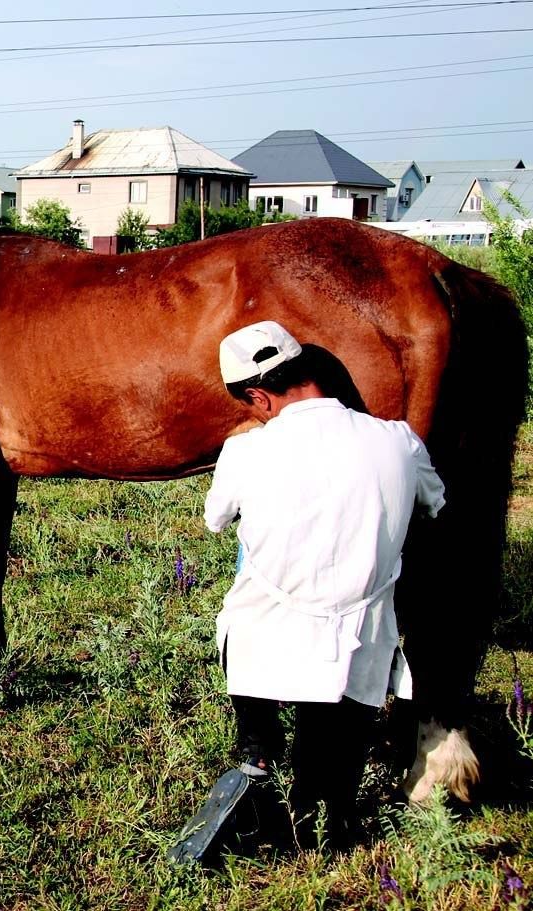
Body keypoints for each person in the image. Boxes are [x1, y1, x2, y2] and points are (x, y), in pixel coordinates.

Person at [168, 320, 445, 863]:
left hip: (267, 640)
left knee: (248, 597)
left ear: (258, 397)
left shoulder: (246, 452)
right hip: (359, 642)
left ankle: (258, 749)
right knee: (331, 758)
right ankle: (327, 811)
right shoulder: (398, 440)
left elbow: (216, 519)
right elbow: (434, 504)